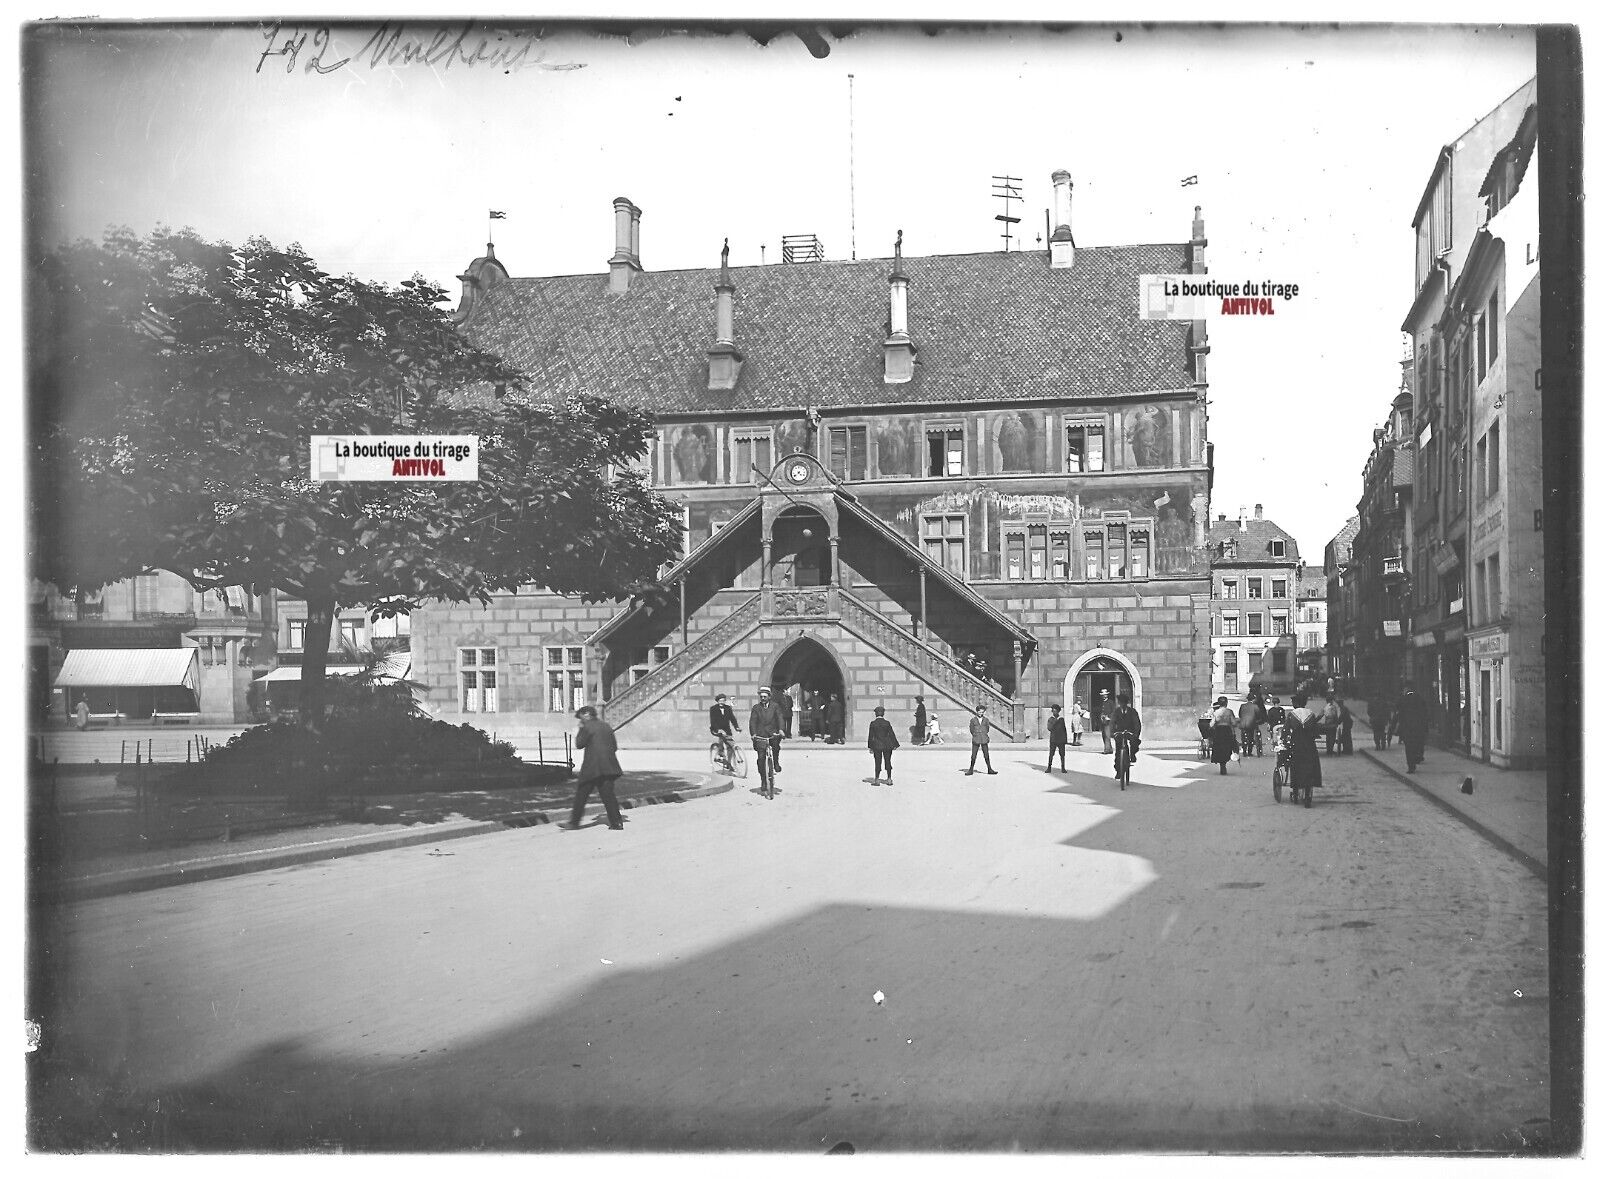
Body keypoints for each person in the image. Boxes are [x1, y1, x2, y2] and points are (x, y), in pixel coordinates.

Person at [564, 705, 625, 831]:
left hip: (593, 768)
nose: (580, 721)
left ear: (586, 714)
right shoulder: (606, 726)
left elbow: (579, 744)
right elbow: (614, 747)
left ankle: (574, 823)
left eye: (581, 717)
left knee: (582, 794)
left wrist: (580, 729)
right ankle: (617, 823)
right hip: (609, 767)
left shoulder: (587, 727)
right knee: (608, 795)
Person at [1285, 692, 1324, 795]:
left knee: (1295, 764)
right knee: (1311, 764)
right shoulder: (1311, 713)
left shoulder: (1292, 714)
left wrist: (1285, 740)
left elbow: (1286, 730)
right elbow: (1315, 731)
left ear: (1296, 703)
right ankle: (1311, 782)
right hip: (1309, 744)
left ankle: (1296, 785)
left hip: (1296, 743)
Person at [749, 686, 785, 779]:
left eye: (765, 697)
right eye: (761, 697)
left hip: (773, 733)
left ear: (769, 697)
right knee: (761, 759)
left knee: (776, 747)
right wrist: (753, 734)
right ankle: (763, 781)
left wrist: (781, 730)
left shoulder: (775, 706)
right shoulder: (756, 708)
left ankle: (776, 763)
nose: (763, 699)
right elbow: (752, 721)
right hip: (761, 735)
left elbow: (780, 718)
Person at [1392, 685, 1429, 773]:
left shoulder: (1402, 699)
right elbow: (1425, 713)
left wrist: (1394, 726)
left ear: (1406, 690)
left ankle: (1411, 766)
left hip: (1407, 728)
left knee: (1409, 747)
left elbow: (1397, 713)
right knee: (1418, 744)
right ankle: (1418, 757)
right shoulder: (1419, 698)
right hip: (1419, 727)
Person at [867, 704, 899, 784]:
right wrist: (895, 744)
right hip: (887, 745)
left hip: (877, 745)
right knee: (888, 761)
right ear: (883, 714)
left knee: (877, 762)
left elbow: (871, 736)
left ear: (876, 714)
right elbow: (891, 734)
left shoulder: (873, 723)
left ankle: (877, 779)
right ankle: (889, 779)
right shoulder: (887, 723)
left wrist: (870, 747)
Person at [965, 704, 998, 775]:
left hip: (984, 739)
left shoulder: (986, 720)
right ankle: (971, 769)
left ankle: (989, 769)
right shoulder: (973, 720)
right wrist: (975, 734)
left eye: (982, 712)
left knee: (986, 754)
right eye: (980, 712)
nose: (981, 713)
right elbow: (971, 729)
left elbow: (987, 729)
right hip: (976, 738)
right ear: (977, 712)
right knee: (973, 755)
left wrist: (984, 734)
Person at [1111, 692, 1143, 764]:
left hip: (1130, 732)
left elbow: (1137, 724)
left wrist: (1135, 734)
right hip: (1119, 732)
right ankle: (1119, 772)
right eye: (1121, 703)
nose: (1123, 705)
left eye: (1124, 703)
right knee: (1118, 753)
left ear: (1126, 703)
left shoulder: (1132, 711)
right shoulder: (1116, 712)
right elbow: (1112, 723)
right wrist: (1112, 732)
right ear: (1119, 703)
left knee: (1134, 744)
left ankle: (1132, 754)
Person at [709, 693, 740, 764]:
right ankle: (720, 754)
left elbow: (732, 719)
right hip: (716, 729)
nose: (722, 702)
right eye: (720, 700)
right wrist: (718, 729)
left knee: (730, 745)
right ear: (717, 701)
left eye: (723, 700)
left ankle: (728, 762)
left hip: (726, 729)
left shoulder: (728, 708)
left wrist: (737, 727)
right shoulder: (713, 709)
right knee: (722, 737)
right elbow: (713, 721)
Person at [1237, 694, 1262, 758]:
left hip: (1243, 724)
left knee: (1243, 738)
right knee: (1251, 738)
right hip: (1251, 724)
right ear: (1254, 699)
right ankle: (1249, 752)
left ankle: (1244, 751)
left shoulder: (1242, 706)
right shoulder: (1255, 706)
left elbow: (1240, 714)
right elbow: (1258, 715)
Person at [1046, 703, 1069, 772]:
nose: (1054, 712)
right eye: (1053, 711)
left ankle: (1063, 768)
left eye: (1056, 711)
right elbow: (1049, 728)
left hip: (1061, 739)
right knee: (1051, 754)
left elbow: (1064, 730)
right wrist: (1055, 722)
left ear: (1058, 711)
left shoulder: (1061, 719)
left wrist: (1065, 740)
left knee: (1062, 754)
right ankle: (1049, 767)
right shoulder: (1051, 719)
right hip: (1053, 739)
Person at [1099, 689, 1115, 754]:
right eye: (1102, 695)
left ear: (1107, 695)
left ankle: (1107, 750)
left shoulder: (1110, 702)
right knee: (1104, 735)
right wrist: (1101, 716)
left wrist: (1109, 717)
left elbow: (1114, 711)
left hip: (1108, 721)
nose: (1104, 696)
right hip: (1103, 721)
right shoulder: (1102, 702)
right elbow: (1101, 711)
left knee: (1107, 735)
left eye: (1105, 695)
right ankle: (1110, 749)